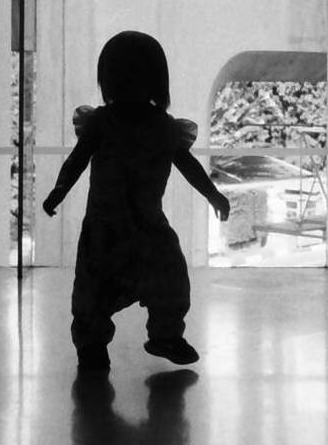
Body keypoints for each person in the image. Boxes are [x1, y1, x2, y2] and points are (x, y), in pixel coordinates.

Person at [43, 31, 230, 372]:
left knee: (157, 279)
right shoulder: (117, 124)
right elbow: (78, 160)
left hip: (125, 226)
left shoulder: (142, 126)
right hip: (122, 226)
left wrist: (212, 192)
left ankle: (155, 335)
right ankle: (103, 343)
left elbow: (186, 164)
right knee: (102, 290)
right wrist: (59, 189)